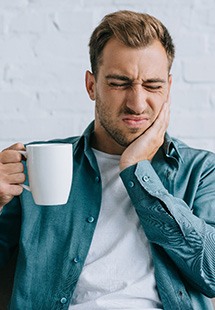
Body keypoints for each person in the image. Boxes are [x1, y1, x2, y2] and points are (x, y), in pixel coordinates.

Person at [0, 9, 215, 310]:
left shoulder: (201, 171)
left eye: (153, 86)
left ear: (168, 88)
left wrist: (137, 170)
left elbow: (212, 272)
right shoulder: (33, 167)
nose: (137, 103)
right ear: (91, 86)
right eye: (119, 83)